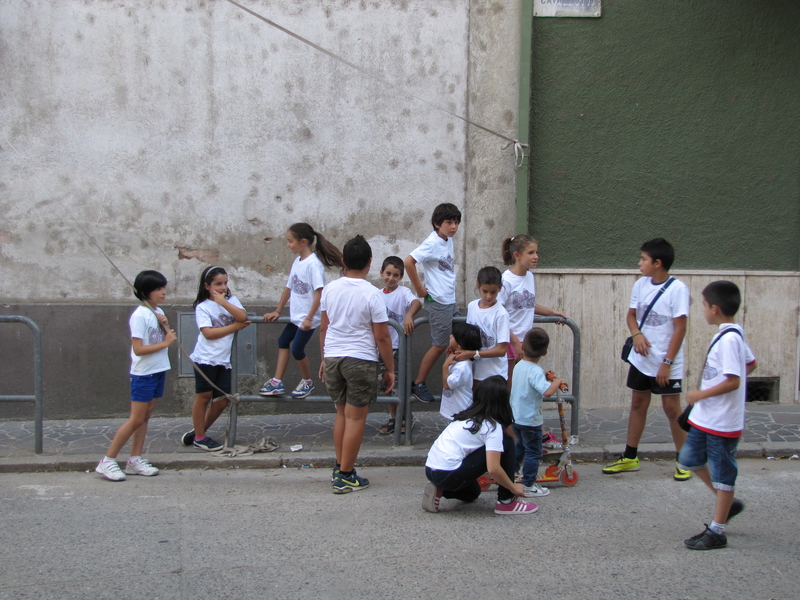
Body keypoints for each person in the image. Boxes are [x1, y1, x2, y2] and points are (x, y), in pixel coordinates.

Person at [603, 238, 691, 480]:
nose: (639, 263)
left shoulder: (678, 290)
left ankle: (684, 459)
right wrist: (637, 334)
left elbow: (681, 329)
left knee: (672, 409)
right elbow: (631, 316)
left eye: (643, 259)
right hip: (641, 359)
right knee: (637, 404)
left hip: (666, 362)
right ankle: (630, 457)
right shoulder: (641, 285)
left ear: (658, 263)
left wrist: (668, 363)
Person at [680, 281, 757, 550]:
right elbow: (750, 363)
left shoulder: (730, 339)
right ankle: (726, 503)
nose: (702, 310)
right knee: (690, 458)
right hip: (706, 418)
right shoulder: (729, 334)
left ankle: (717, 530)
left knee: (724, 474)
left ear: (714, 308)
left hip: (722, 421)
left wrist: (701, 394)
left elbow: (733, 380)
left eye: (703, 305)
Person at [318, 235, 395, 494]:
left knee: (341, 414)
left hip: (333, 357)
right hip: (360, 359)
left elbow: (324, 328)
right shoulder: (373, 294)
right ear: (370, 263)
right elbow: (382, 336)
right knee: (356, 418)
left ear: (343, 261)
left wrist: (324, 358)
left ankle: (340, 466)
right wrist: (390, 369)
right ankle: (346, 475)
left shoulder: (330, 289)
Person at [95, 271, 177, 481]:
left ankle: (134, 460)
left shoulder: (155, 312)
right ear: (145, 292)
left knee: (145, 418)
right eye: (158, 289)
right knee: (136, 419)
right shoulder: (139, 315)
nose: (163, 292)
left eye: (163, 288)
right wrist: (166, 342)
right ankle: (107, 461)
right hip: (144, 374)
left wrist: (163, 324)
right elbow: (139, 349)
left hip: (158, 370)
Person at [423, 376, 537, 515]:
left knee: (473, 493)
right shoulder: (491, 426)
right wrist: (513, 487)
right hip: (449, 473)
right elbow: (493, 468)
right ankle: (507, 501)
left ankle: (440, 489)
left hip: (431, 470)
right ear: (503, 401)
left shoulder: (466, 416)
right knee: (506, 443)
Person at [259, 223, 342, 399]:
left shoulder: (314, 265)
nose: (288, 245)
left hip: (308, 319)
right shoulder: (297, 262)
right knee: (283, 341)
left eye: (290, 241)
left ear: (303, 241)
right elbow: (288, 288)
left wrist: (310, 318)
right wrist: (277, 311)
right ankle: (276, 381)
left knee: (297, 349)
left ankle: (307, 382)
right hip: (297, 317)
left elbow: (320, 293)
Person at [182, 266, 250, 452]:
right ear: (206, 286)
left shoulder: (231, 301)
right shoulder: (203, 307)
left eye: (225, 283)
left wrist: (224, 302)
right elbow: (208, 333)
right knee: (203, 397)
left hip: (224, 360)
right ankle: (200, 437)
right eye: (217, 284)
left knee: (222, 399)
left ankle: (198, 432)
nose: (222, 287)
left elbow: (243, 316)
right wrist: (234, 326)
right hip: (205, 358)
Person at [404, 203, 461, 402]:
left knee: (456, 342)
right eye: (449, 222)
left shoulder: (447, 240)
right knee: (439, 345)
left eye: (456, 222)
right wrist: (420, 289)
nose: (453, 226)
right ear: (437, 224)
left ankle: (452, 382)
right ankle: (418, 383)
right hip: (437, 301)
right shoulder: (432, 242)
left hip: (449, 300)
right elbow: (408, 261)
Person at [499, 234, 568, 386]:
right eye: (531, 253)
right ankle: (507, 410)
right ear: (517, 255)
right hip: (510, 340)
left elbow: (528, 304)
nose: (536, 256)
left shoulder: (529, 276)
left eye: (536, 252)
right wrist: (515, 342)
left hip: (526, 340)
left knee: (523, 382)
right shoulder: (506, 280)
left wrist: (552, 313)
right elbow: (498, 313)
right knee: (509, 384)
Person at [510, 328, 565, 498]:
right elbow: (547, 392)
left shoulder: (519, 365)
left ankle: (510, 475)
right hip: (530, 421)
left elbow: (533, 381)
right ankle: (528, 484)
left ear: (523, 347)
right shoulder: (534, 371)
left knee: (518, 449)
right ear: (545, 352)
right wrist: (557, 381)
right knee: (533, 452)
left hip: (516, 417)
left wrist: (545, 375)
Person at [377, 256, 422, 435]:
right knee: (386, 385)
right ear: (381, 273)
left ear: (401, 277)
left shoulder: (403, 292)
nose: (391, 278)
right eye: (388, 273)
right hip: (382, 348)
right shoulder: (377, 295)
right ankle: (394, 417)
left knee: (399, 387)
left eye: (396, 275)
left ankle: (405, 417)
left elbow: (416, 303)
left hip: (399, 348)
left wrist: (409, 315)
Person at [457, 266, 509, 384]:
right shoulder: (472, 306)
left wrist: (473, 354)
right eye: (485, 291)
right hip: (475, 371)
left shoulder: (501, 314)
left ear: (500, 288)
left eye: (493, 292)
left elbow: (502, 350)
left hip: (495, 374)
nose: (489, 296)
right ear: (478, 286)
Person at [440, 322, 482, 420]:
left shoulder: (462, 366)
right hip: (455, 408)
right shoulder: (460, 362)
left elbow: (448, 385)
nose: (450, 336)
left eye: (453, 336)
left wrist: (445, 366)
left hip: (460, 410)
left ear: (459, 344)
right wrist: (449, 358)